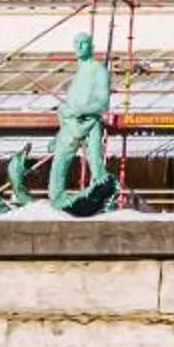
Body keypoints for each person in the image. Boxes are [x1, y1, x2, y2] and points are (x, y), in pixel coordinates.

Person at [45, 31, 112, 212]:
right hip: (70, 124)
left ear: (91, 46)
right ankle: (56, 199)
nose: (79, 46)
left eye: (83, 43)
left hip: (89, 122)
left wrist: (80, 110)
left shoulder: (98, 70)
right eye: (76, 43)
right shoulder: (78, 73)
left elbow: (103, 104)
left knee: (96, 164)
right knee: (59, 161)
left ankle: (104, 200)